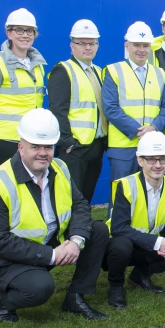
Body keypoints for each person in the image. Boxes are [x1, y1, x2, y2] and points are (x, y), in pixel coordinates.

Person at [0, 109, 109, 322]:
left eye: (48, 146)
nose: (43, 153)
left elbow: (79, 205)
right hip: (2, 260)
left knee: (98, 230)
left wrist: (76, 241)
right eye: (35, 146)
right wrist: (52, 255)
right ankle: (4, 301)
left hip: (46, 244)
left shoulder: (60, 167)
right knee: (40, 288)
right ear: (21, 146)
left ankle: (75, 297)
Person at [104, 132, 165, 308]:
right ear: (140, 161)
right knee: (121, 245)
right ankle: (116, 286)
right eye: (152, 160)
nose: (158, 165)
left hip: (147, 245)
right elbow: (118, 227)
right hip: (117, 247)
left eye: (162, 159)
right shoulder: (125, 185)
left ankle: (140, 275)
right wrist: (157, 243)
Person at [0, 8, 47, 168]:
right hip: (4, 140)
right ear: (9, 33)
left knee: (26, 190)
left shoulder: (38, 65)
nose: (25, 35)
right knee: (9, 189)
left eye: (29, 31)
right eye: (19, 30)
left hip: (28, 140)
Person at [47, 19, 107, 204]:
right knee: (70, 199)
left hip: (96, 146)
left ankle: (81, 231)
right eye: (82, 43)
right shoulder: (63, 70)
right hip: (75, 148)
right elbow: (57, 110)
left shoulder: (98, 71)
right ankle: (67, 232)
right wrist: (67, 142)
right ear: (72, 45)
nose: (88, 47)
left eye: (92, 43)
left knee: (85, 198)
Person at [102, 21, 165, 182]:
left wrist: (154, 128)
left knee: (151, 199)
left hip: (153, 149)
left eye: (145, 45)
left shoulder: (159, 73)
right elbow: (110, 108)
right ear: (127, 46)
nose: (141, 50)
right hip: (123, 148)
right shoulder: (113, 71)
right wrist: (138, 131)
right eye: (136, 45)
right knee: (122, 198)